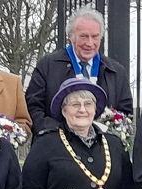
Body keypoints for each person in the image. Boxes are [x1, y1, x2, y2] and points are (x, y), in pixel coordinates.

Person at [26, 6, 133, 141]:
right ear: (71, 37)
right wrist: (61, 132)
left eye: (95, 37)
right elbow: (33, 108)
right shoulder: (47, 65)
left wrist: (109, 131)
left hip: (103, 148)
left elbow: (125, 114)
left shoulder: (117, 72)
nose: (90, 43)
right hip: (57, 147)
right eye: (83, 36)